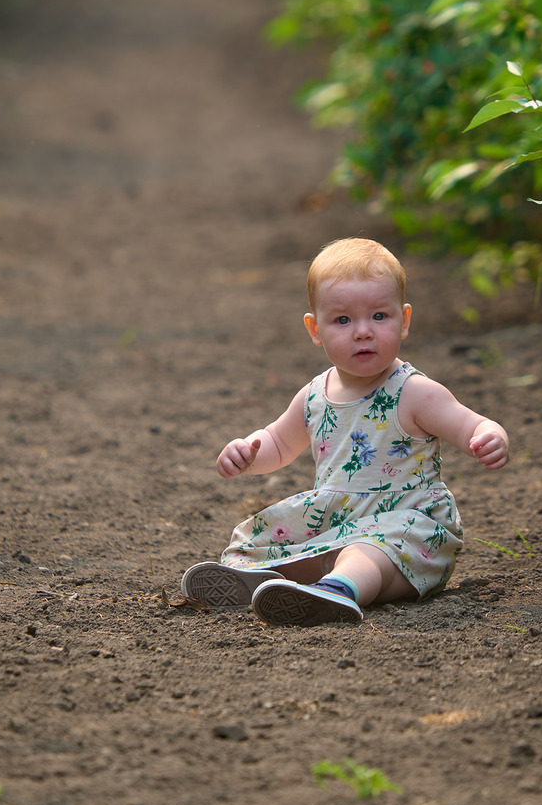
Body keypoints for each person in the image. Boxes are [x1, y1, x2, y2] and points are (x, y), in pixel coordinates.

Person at [180, 237, 509, 626]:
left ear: (404, 321)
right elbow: (279, 443)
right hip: (338, 521)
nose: (363, 332)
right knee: (276, 541)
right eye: (343, 320)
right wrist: (249, 452)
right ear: (314, 329)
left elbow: (470, 422)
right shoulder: (315, 396)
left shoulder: (414, 392)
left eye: (379, 317)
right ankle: (270, 582)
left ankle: (339, 591)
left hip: (407, 532)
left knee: (365, 552)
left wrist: (490, 435)